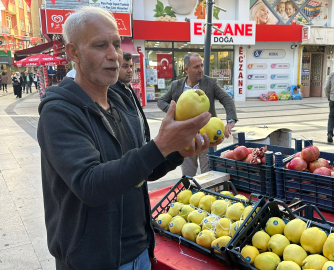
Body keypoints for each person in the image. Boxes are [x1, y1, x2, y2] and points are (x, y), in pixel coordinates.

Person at [37, 6, 221, 270]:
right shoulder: (59, 112)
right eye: (100, 45)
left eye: (116, 43)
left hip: (140, 252)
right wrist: (160, 145)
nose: (114, 55)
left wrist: (177, 151)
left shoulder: (121, 101)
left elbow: (141, 172)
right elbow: (90, 184)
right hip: (91, 261)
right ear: (73, 53)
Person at [157, 52, 238, 177]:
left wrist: (231, 120)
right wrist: (174, 110)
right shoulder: (176, 85)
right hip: (185, 137)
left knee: (208, 174)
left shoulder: (210, 83)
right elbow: (161, 101)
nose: (201, 70)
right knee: (188, 175)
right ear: (186, 69)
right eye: (196, 67)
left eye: (201, 66)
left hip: (208, 136)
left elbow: (226, 99)